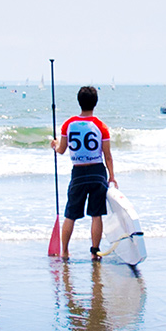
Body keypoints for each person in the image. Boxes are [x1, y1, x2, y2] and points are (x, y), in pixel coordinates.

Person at [52, 87, 115, 258]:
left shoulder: (68, 124)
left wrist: (55, 145)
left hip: (78, 173)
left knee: (70, 215)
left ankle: (64, 251)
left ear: (79, 101)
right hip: (97, 172)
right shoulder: (101, 126)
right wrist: (112, 177)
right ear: (95, 102)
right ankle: (95, 252)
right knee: (96, 215)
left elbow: (62, 150)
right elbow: (107, 156)